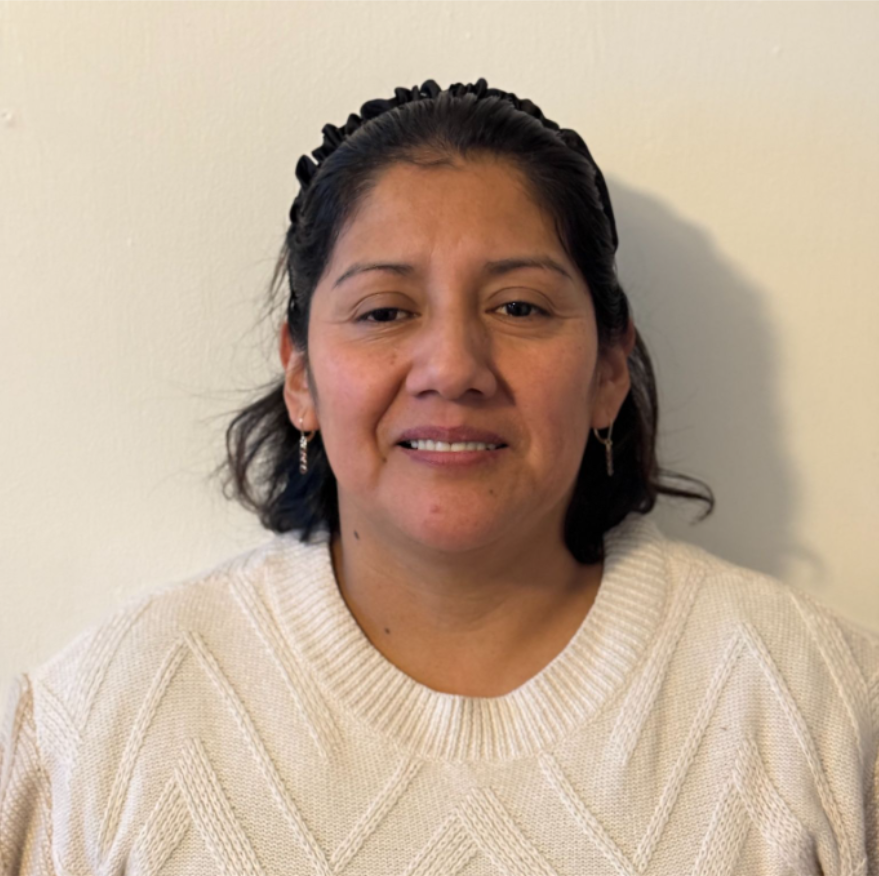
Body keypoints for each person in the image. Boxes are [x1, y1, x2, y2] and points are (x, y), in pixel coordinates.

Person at [1, 78, 876, 876]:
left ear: (610, 368)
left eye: (519, 307)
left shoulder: (820, 705)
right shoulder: (101, 722)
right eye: (385, 311)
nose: (452, 368)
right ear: (300, 374)